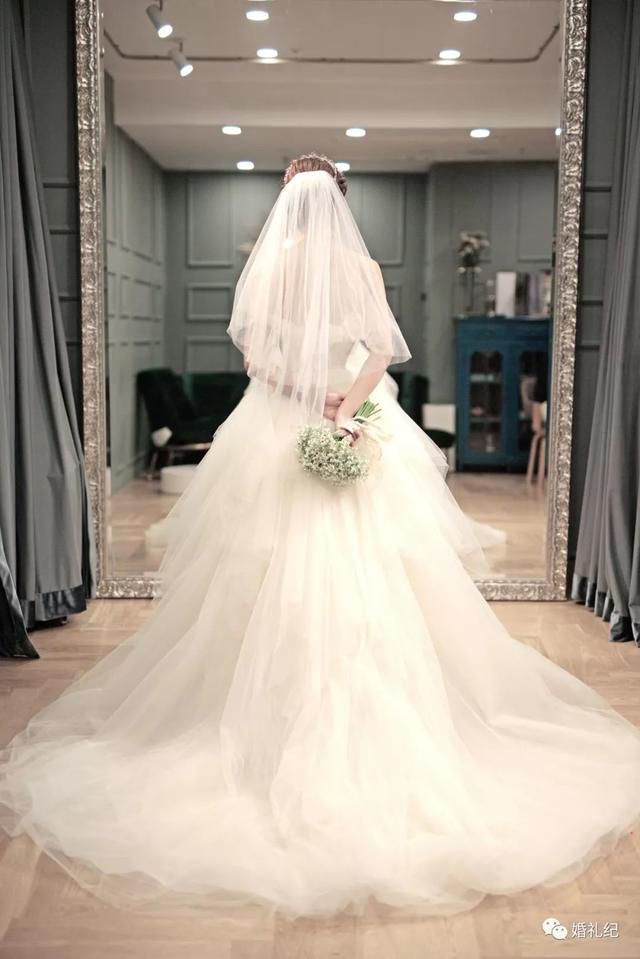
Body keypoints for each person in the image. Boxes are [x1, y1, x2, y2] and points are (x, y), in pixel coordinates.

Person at [1, 154, 639, 921]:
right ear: (342, 198)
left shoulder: (273, 265)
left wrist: (309, 397)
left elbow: (254, 359)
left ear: (288, 200)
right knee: (379, 571)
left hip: (279, 420)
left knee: (259, 564)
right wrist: (345, 405)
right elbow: (382, 352)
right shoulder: (362, 265)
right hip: (351, 410)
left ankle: (254, 721)